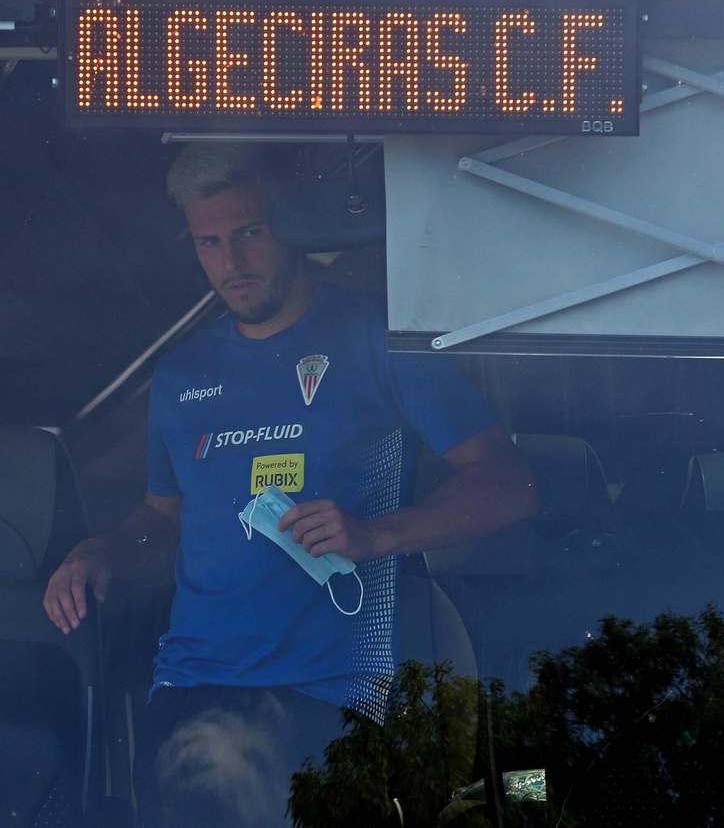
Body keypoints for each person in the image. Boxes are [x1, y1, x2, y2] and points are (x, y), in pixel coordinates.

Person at [43, 143, 538, 827]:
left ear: (293, 224)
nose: (232, 261)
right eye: (209, 241)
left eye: (249, 231)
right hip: (194, 685)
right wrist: (100, 550)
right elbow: (162, 518)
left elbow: (508, 483)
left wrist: (375, 534)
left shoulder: (377, 336)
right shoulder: (182, 374)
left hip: (340, 690)